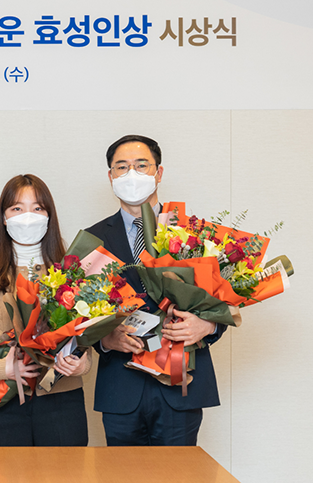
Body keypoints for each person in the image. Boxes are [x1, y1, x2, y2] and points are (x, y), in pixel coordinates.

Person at [85, 134, 226, 446]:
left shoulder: (193, 233)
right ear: (110, 176)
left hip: (180, 382)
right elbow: (81, 313)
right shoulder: (92, 239)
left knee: (179, 471)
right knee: (121, 471)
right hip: (121, 387)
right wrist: (105, 340)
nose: (131, 174)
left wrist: (207, 326)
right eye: (122, 167)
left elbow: (222, 298)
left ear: (158, 173)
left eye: (141, 165)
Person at [0, 174, 92, 446]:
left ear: (49, 216)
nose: (27, 217)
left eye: (37, 208)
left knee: (66, 468)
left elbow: (84, 335)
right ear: (4, 218)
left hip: (62, 399)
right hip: (7, 398)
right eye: (17, 208)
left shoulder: (69, 272)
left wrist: (82, 364)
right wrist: (4, 369)